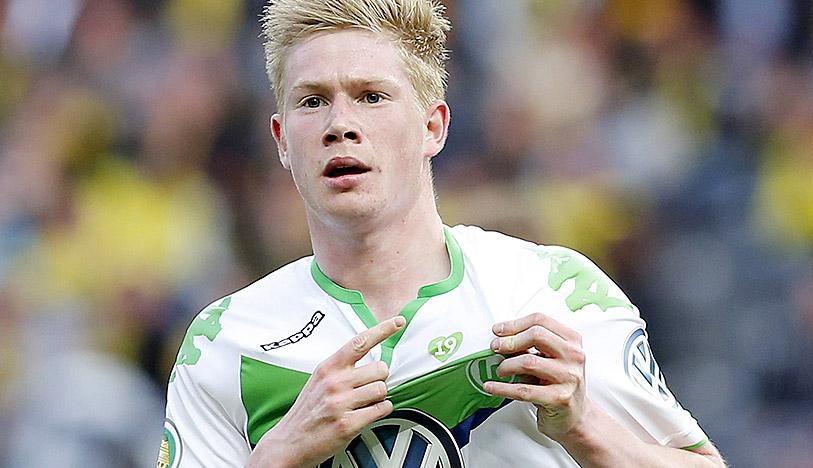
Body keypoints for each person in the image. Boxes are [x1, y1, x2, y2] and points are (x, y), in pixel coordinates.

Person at [160, 0, 727, 467]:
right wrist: (279, 455)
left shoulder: (554, 289)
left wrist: (585, 427)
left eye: (371, 96)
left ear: (433, 127)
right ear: (282, 140)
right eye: (312, 101)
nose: (339, 125)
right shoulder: (225, 342)